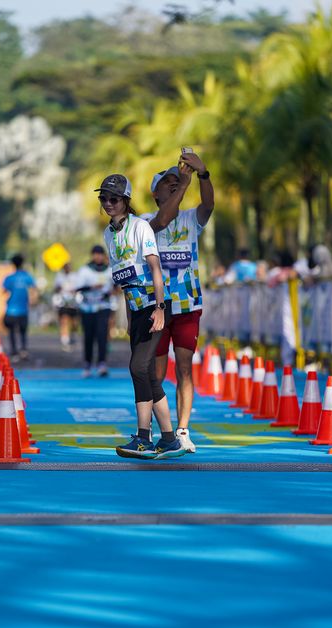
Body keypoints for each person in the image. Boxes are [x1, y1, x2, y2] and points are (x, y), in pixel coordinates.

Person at [96, 173, 184, 460]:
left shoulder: (140, 227)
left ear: (126, 201)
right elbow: (124, 280)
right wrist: (129, 318)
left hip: (155, 306)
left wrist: (159, 308)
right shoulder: (109, 234)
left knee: (138, 367)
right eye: (103, 198)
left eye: (114, 198)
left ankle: (143, 438)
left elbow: (155, 269)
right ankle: (169, 440)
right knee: (146, 373)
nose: (108, 203)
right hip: (135, 309)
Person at [142, 150, 214, 453]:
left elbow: (209, 205)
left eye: (177, 180)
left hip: (187, 306)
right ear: (155, 193)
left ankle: (183, 430)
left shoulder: (190, 219)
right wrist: (184, 184)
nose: (174, 183)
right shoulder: (144, 222)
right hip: (157, 308)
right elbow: (163, 219)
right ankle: (159, 430)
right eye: (167, 182)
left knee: (185, 368)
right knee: (156, 374)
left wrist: (203, 174)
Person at [74, 245, 114, 377]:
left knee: (102, 335)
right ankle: (87, 364)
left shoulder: (109, 270)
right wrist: (92, 287)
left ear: (103, 255)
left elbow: (116, 287)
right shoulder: (85, 270)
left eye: (100, 254)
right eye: (95, 254)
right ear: (92, 255)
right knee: (89, 336)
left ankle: (102, 363)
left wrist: (111, 292)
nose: (98, 257)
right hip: (87, 308)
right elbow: (78, 288)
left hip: (103, 307)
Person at [2, 253, 37, 361]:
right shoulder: (27, 277)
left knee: (12, 331)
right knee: (23, 331)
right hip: (23, 309)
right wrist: (33, 301)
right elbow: (34, 290)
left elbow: (4, 291)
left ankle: (14, 351)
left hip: (11, 309)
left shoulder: (10, 278)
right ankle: (23, 350)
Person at [52, 262, 78, 352]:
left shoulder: (75, 276)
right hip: (63, 302)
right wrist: (59, 288)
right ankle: (65, 340)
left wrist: (74, 291)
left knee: (74, 323)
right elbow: (55, 288)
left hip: (73, 303)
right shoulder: (59, 277)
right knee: (64, 321)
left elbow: (79, 288)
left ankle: (72, 336)